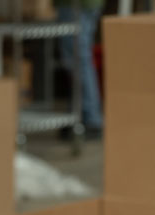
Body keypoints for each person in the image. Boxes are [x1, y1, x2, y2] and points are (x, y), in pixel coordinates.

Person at [56, 0, 104, 139]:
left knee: (78, 59)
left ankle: (90, 118)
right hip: (83, 5)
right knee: (79, 58)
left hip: (77, 5)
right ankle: (79, 115)